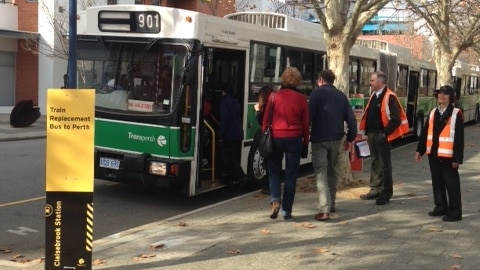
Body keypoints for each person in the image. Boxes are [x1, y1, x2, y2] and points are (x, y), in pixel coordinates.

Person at [309, 70, 357, 221]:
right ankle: (332, 204)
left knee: (321, 172)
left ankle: (324, 210)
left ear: (321, 79)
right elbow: (351, 120)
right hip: (337, 139)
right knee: (332, 171)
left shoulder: (316, 94)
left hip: (319, 139)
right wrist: (350, 138)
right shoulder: (341, 96)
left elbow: (308, 116)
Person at [262, 67, 310, 220]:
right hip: (294, 138)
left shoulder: (274, 96)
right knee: (291, 174)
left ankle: (275, 200)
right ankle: (287, 210)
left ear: (283, 79)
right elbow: (305, 124)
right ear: (298, 81)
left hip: (276, 137)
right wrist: (305, 142)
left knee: (274, 171)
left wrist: (265, 135)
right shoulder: (302, 99)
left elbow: (265, 120)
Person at [359, 71, 409, 205]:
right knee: (375, 162)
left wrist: (385, 133)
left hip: (382, 135)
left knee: (384, 165)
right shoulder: (374, 95)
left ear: (380, 82)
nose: (370, 83)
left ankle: (386, 193)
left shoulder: (390, 97)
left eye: (372, 80)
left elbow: (396, 119)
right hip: (372, 134)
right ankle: (375, 190)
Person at [415, 85, 464, 222]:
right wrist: (420, 150)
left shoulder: (456, 113)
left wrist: (457, 159)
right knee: (437, 183)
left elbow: (459, 138)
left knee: (451, 184)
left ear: (451, 97)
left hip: (449, 156)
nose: (441, 97)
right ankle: (441, 206)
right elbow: (425, 133)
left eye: (445, 94)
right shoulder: (433, 112)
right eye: (439, 94)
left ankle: (455, 212)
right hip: (434, 154)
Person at [218, 84, 246, 186]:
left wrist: (221, 134)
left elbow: (225, 120)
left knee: (228, 158)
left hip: (229, 135)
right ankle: (231, 178)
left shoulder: (224, 102)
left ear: (224, 92)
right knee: (232, 156)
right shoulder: (236, 102)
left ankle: (241, 176)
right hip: (237, 134)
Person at [254, 86, 274, 195]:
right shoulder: (274, 103)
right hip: (275, 137)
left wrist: (257, 111)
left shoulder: (265, 107)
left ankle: (268, 187)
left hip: (268, 137)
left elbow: (262, 122)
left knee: (268, 163)